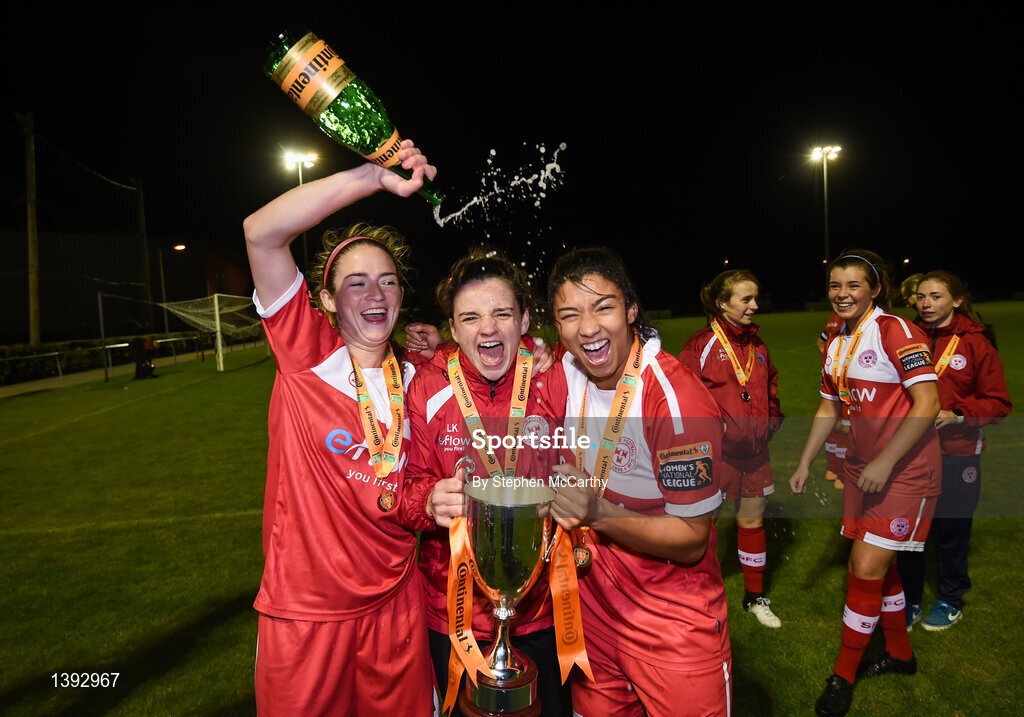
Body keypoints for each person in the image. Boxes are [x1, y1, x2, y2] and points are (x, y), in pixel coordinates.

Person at [242, 140, 438, 716]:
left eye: (388, 281)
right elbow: (260, 232)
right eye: (357, 282)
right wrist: (370, 178)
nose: (375, 294)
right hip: (306, 611)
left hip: (398, 604)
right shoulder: (305, 352)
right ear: (325, 298)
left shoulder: (419, 379)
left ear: (402, 296)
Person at [538, 247, 731, 716]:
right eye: (569, 315)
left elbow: (690, 540)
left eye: (602, 306)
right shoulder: (567, 369)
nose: (587, 327)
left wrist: (598, 513)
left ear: (630, 309)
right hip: (592, 620)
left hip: (673, 624)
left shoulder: (675, 401)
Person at [403, 249, 563, 716]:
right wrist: (427, 499)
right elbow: (406, 484)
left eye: (502, 314)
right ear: (453, 329)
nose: (488, 329)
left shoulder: (555, 379)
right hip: (451, 612)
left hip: (545, 610)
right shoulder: (425, 386)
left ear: (526, 320)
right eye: (470, 317)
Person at [790, 250, 941, 717]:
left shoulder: (896, 330)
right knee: (881, 568)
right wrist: (804, 462)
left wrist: (886, 461)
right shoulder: (836, 338)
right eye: (836, 286)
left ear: (875, 289)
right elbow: (828, 407)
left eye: (854, 285)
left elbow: (929, 401)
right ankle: (900, 656)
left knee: (863, 567)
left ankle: (843, 675)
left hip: (904, 472)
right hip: (862, 471)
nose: (842, 294)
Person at [897, 271, 1012, 631]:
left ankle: (950, 598)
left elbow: (998, 401)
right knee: (909, 533)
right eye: (921, 297)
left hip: (957, 451)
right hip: (910, 451)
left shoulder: (975, 343)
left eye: (935, 296)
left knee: (951, 529)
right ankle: (910, 599)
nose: (926, 304)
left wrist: (960, 415)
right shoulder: (906, 336)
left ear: (957, 301)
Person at [679, 270, 783, 628]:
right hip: (716, 456)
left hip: (754, 454)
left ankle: (755, 598)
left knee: (752, 521)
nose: (755, 306)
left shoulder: (759, 346)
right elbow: (682, 395)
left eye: (755, 298)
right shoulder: (700, 344)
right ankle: (695, 595)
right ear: (723, 303)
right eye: (746, 299)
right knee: (703, 526)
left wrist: (773, 417)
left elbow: (770, 387)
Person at [818, 313, 850, 490]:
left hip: (842, 379)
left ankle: (836, 471)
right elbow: (821, 343)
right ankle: (838, 473)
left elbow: (820, 342)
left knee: (841, 426)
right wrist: (833, 362)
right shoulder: (836, 319)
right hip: (837, 379)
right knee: (841, 426)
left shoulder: (836, 319)